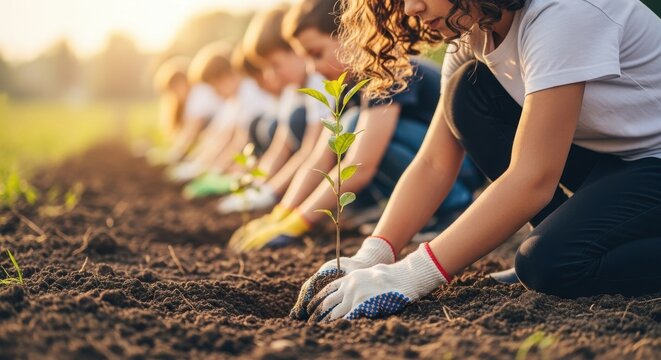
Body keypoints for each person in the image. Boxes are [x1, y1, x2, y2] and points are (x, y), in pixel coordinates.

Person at [291, 0, 661, 322]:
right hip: (617, 161)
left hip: (651, 162)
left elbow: (533, 178)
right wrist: (373, 256)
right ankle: (571, 236)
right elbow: (434, 162)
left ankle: (566, 245)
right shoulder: (472, 32)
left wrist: (410, 275)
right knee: (467, 93)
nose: (409, 9)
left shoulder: (561, 13)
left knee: (549, 264)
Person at [228, 0, 484, 252]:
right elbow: (319, 158)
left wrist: (301, 221)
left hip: (459, 168)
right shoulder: (350, 87)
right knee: (345, 130)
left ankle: (453, 205)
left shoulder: (388, 69)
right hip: (428, 166)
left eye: (316, 54)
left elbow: (361, 166)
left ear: (351, 35)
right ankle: (419, 211)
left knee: (353, 128)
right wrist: (283, 213)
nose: (312, 68)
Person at [216, 5, 331, 214]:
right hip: (318, 169)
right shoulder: (292, 90)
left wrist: (276, 197)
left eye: (275, 64)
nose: (270, 76)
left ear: (295, 51)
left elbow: (313, 151)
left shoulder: (319, 81)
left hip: (335, 167)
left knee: (296, 118)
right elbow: (281, 146)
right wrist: (257, 188)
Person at [169, 44, 272, 183]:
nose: (216, 94)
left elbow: (241, 140)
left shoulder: (249, 91)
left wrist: (216, 170)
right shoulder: (233, 102)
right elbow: (220, 137)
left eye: (215, 87)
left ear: (226, 77)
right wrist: (202, 165)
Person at [162, 42, 228, 168]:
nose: (176, 95)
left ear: (184, 81)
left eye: (175, 88)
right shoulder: (192, 98)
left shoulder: (198, 93)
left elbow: (192, 129)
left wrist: (176, 154)